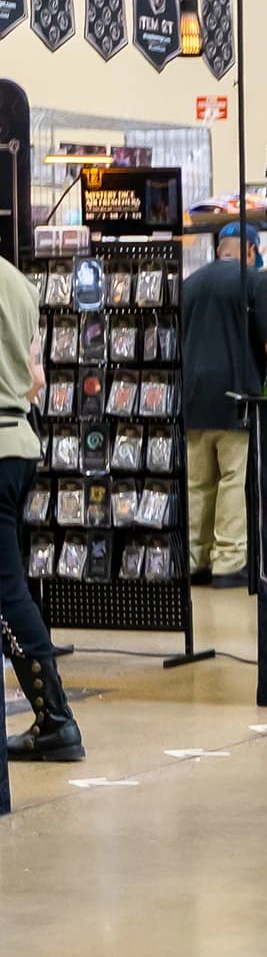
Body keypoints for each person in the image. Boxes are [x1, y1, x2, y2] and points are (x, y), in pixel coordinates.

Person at [0, 258, 85, 761]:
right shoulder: (18, 282)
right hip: (17, 440)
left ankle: (56, 719)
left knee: (8, 594)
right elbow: (36, 377)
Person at [179, 222, 267, 590]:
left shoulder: (190, 283)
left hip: (192, 397)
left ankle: (193, 559)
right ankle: (229, 563)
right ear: (249, 249)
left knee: (198, 483)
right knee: (234, 480)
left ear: (221, 248)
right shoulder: (255, 281)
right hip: (237, 396)